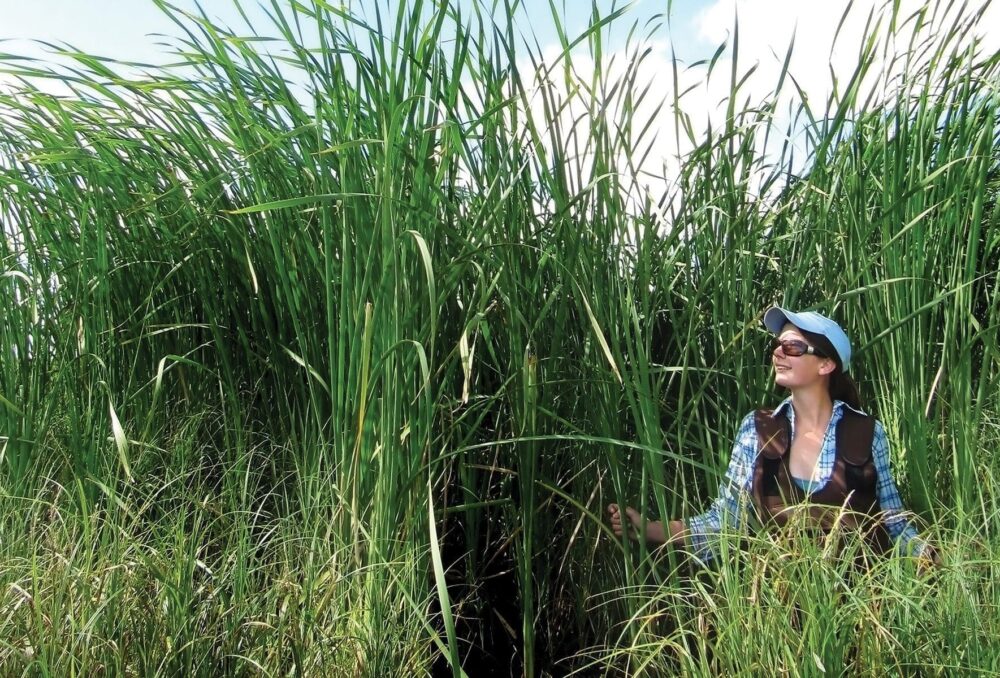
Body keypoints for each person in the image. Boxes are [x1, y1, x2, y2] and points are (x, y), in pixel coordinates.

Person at [608, 306, 941, 568]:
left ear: (826, 364)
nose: (778, 353)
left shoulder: (868, 432)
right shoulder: (757, 429)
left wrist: (929, 555)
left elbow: (894, 524)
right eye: (777, 345)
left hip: (863, 622)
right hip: (779, 624)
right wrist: (650, 528)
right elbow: (726, 522)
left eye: (793, 346)